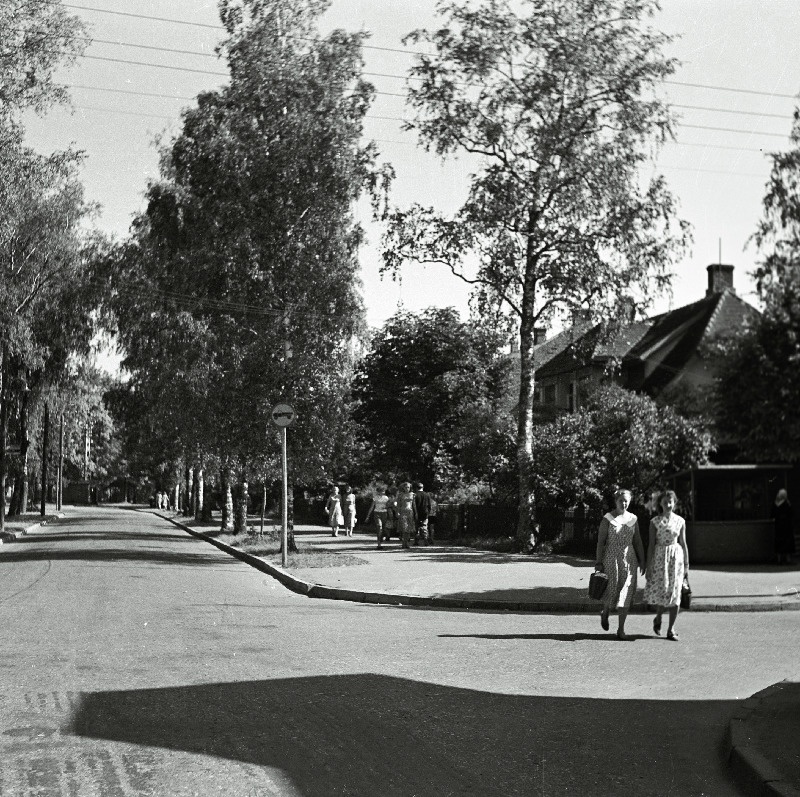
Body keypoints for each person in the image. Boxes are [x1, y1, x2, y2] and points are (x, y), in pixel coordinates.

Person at [595, 488, 645, 640]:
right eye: (621, 501)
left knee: (626, 593)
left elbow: (637, 541)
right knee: (611, 590)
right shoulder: (608, 519)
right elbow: (600, 542)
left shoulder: (633, 519)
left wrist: (642, 560)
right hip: (611, 558)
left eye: (626, 501)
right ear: (616, 501)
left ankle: (621, 629)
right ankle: (605, 612)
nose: (623, 503)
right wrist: (598, 562)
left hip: (629, 560)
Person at [645, 489, 689, 641]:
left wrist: (687, 565)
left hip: (676, 560)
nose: (668, 505)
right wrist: (649, 565)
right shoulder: (655, 522)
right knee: (663, 593)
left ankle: (671, 630)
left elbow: (683, 544)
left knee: (675, 595)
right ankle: (658, 617)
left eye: (670, 502)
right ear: (661, 504)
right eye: (665, 502)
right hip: (660, 559)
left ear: (674, 503)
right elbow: (651, 545)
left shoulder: (680, 521)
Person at [772, 489, 795, 565]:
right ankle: (787, 559)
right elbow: (791, 514)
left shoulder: (775, 504)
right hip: (786, 526)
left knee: (779, 542)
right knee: (787, 542)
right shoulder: (787, 504)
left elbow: (773, 514)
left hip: (778, 526)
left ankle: (779, 559)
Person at [395, 482, 417, 549]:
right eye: (406, 487)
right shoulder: (401, 495)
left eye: (408, 487)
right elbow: (398, 504)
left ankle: (406, 543)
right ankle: (404, 543)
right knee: (404, 528)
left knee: (409, 528)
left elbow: (414, 505)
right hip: (403, 512)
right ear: (403, 488)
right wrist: (397, 512)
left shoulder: (413, 495)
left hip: (410, 512)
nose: (407, 488)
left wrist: (416, 513)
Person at [412, 481, 433, 545]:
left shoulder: (415, 495)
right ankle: (425, 540)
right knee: (424, 527)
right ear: (422, 487)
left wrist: (414, 512)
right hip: (425, 513)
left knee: (416, 527)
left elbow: (413, 505)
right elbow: (429, 505)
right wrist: (428, 512)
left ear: (416, 488)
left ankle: (416, 541)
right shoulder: (427, 495)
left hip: (417, 513)